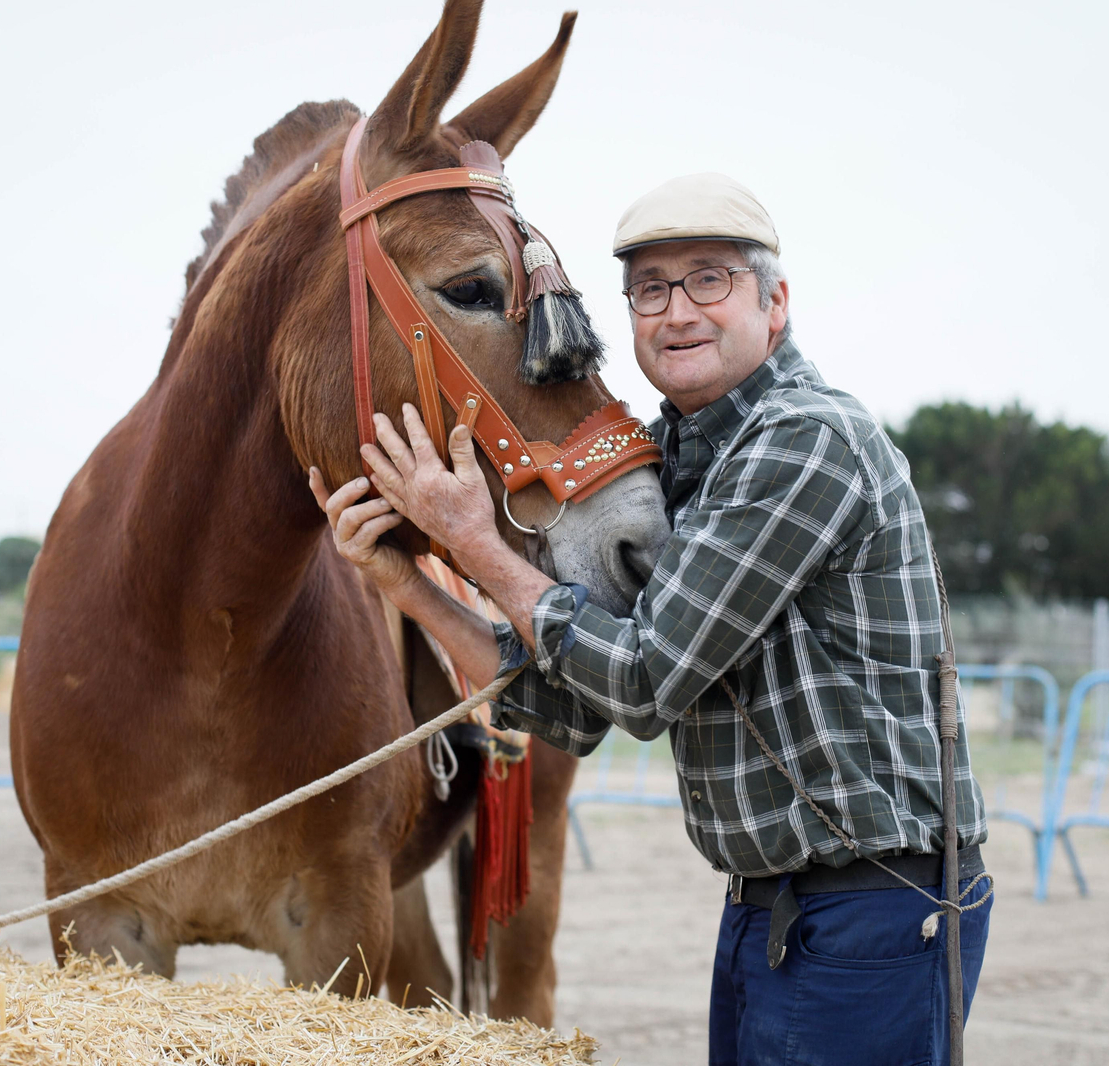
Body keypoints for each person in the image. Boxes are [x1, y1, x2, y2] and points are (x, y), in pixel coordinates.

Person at [309, 172, 992, 1066]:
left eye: (710, 280)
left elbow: (643, 680)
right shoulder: (680, 459)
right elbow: (574, 710)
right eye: (650, 289)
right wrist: (406, 581)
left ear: (775, 303)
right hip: (771, 906)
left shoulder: (803, 441)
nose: (677, 313)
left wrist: (473, 542)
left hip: (874, 908)